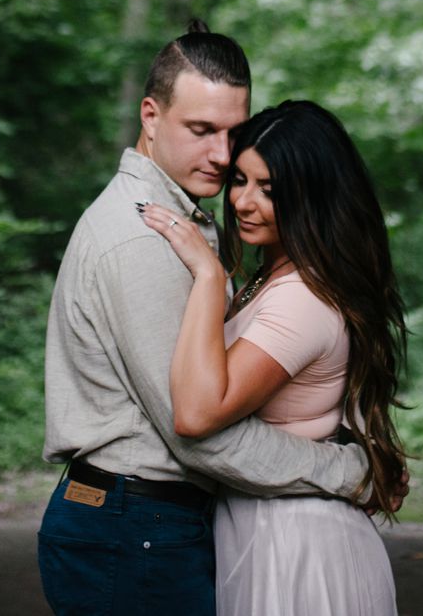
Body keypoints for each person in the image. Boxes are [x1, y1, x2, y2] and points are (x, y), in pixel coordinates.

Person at [38, 23, 372, 616]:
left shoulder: (183, 223)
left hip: (145, 521)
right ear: (150, 115)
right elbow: (197, 432)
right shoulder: (144, 238)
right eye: (200, 131)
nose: (222, 156)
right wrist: (346, 471)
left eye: (232, 133)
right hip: (134, 524)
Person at [140, 99, 406, 616]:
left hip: (297, 543)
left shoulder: (301, 296)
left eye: (270, 190)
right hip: (266, 526)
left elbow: (196, 413)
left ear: (314, 198)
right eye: (240, 180)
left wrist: (210, 276)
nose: (242, 202)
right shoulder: (276, 275)